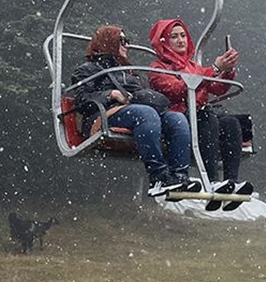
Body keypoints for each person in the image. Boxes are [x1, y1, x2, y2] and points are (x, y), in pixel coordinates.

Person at [70, 25, 196, 197]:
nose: (127, 45)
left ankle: (179, 175)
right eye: (122, 41)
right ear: (108, 42)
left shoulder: (130, 72)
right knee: (145, 114)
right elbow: (81, 101)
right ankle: (158, 176)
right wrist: (111, 94)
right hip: (104, 115)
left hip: (133, 111)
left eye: (127, 41)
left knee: (176, 119)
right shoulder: (88, 70)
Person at [148, 18, 253, 205]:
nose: (180, 40)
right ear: (163, 42)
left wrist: (227, 70)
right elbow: (178, 89)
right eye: (174, 37)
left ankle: (231, 180)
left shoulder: (193, 67)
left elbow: (217, 88)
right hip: (177, 119)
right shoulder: (158, 68)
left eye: (183, 36)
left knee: (230, 123)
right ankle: (211, 180)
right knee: (205, 117)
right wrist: (215, 68)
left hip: (201, 117)